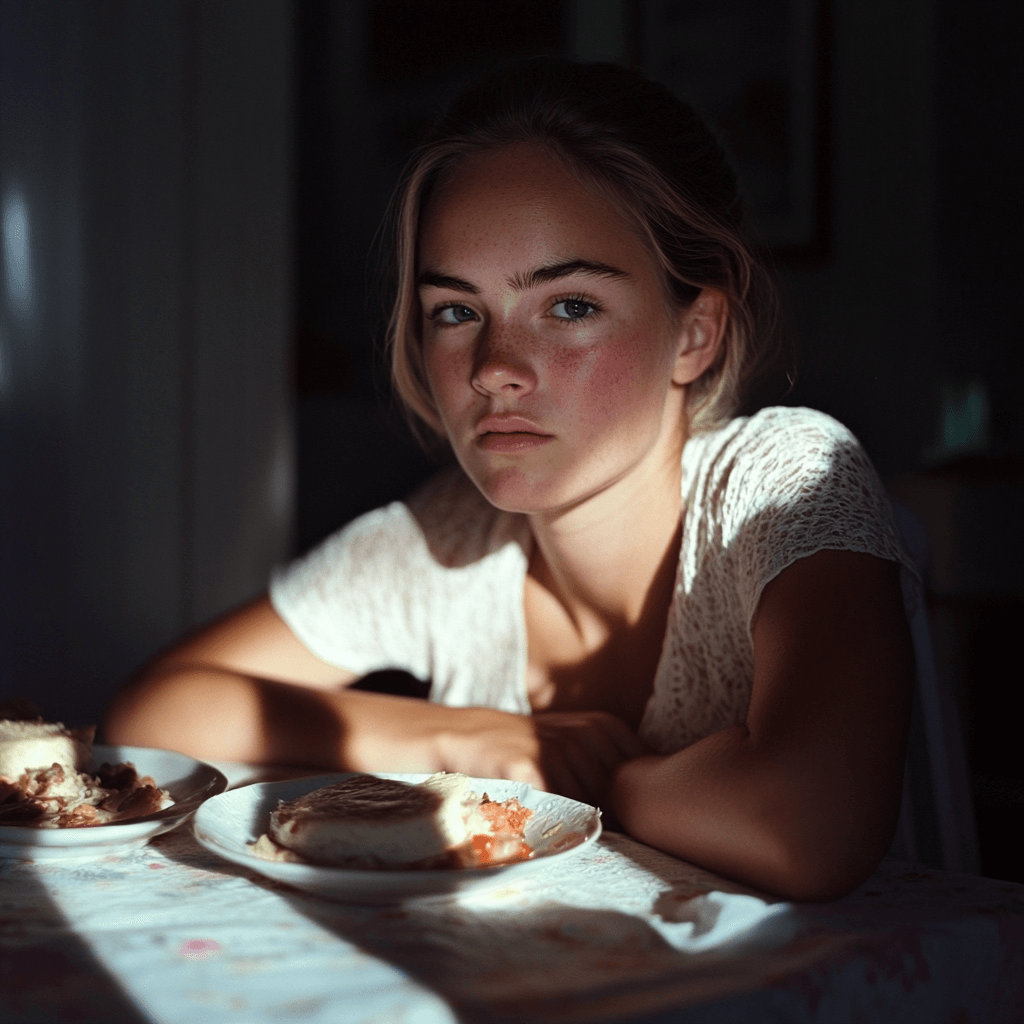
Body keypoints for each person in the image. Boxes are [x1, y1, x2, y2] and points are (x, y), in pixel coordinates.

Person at [105, 58, 916, 901]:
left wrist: (611, 780)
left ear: (695, 335)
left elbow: (807, 825)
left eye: (569, 306)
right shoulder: (447, 541)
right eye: (456, 312)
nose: (495, 368)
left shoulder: (786, 477)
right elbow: (154, 714)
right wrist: (464, 740)